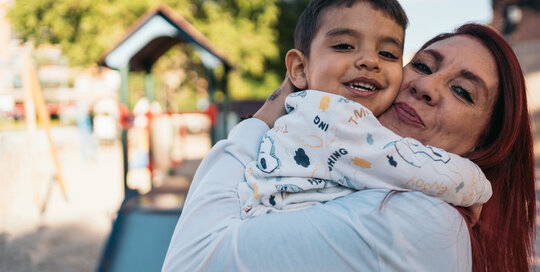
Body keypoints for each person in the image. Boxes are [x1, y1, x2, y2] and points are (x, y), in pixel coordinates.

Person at [162, 24, 535, 272]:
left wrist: (267, 113)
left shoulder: (420, 221)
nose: (427, 86)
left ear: (486, 143)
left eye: (462, 92)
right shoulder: (355, 172)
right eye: (421, 65)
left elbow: (191, 261)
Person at [237, 0, 491, 217]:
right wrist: (477, 185)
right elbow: (411, 167)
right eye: (345, 46)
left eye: (387, 53)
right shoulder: (329, 117)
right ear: (300, 70)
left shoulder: (305, 118)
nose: (370, 60)